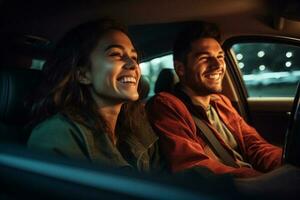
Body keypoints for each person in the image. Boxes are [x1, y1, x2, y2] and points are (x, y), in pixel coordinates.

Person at [146, 21, 282, 178]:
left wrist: (286, 163)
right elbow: (193, 166)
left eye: (220, 56)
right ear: (180, 68)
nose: (218, 65)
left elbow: (254, 145)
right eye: (204, 58)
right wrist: (262, 181)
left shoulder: (221, 102)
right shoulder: (165, 105)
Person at [27, 19, 162, 172]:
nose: (133, 65)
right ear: (83, 74)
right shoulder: (57, 134)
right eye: (115, 54)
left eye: (134, 57)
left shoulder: (139, 125)